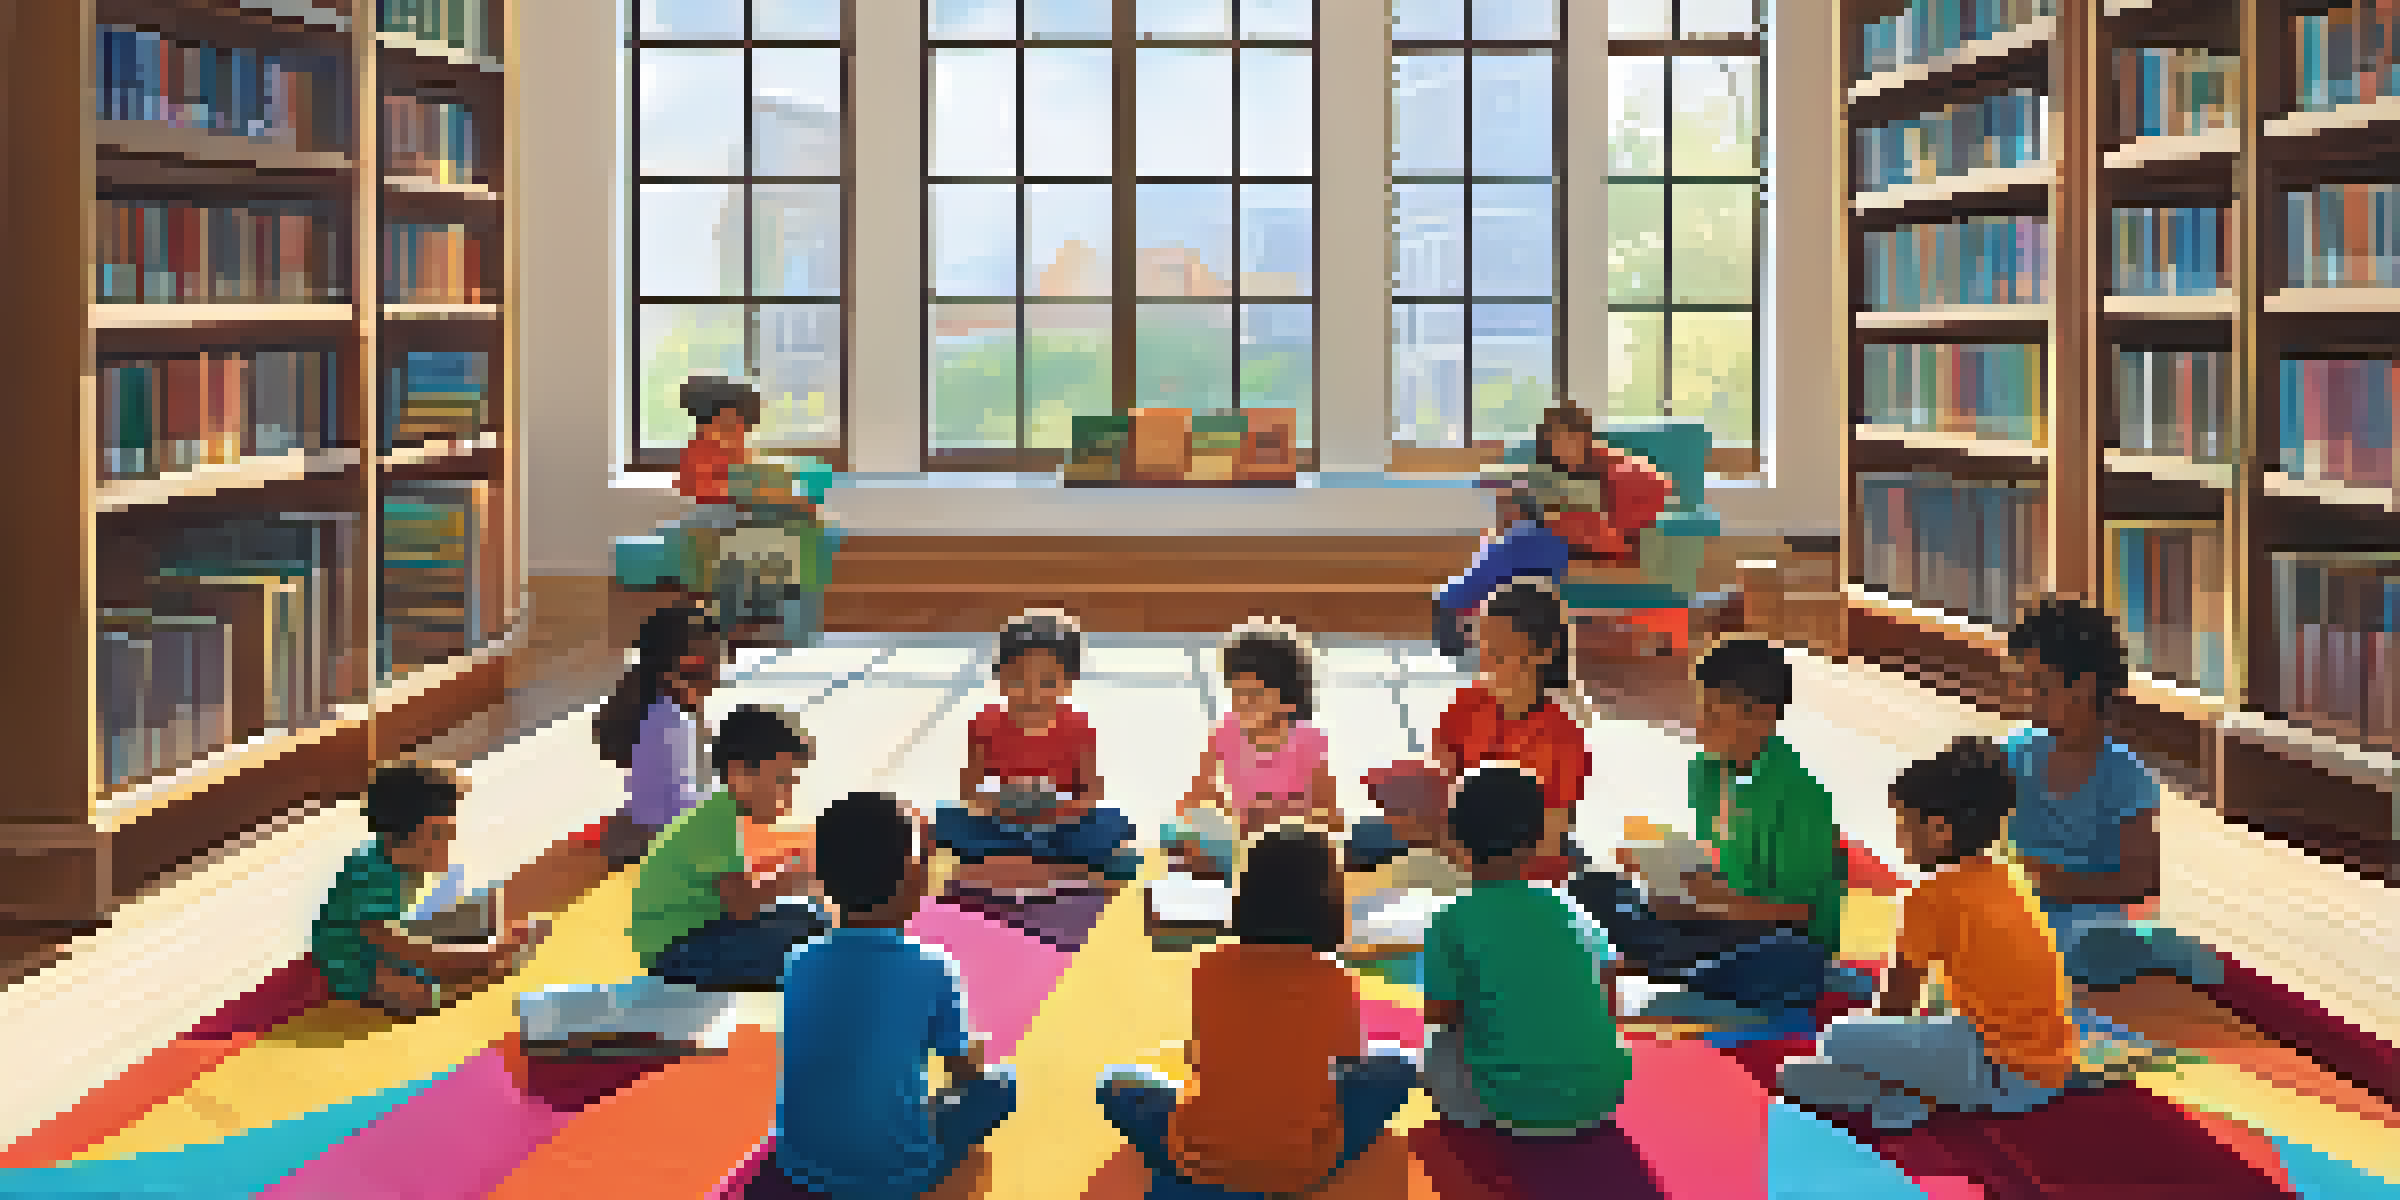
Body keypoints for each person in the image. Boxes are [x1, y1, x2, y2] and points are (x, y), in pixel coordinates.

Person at [1096, 827, 1420, 1196]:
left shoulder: (1210, 966)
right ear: (1329, 903)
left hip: (1199, 1156)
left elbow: (1199, 1059)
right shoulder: (1335, 980)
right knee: (1397, 1064)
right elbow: (1348, 1061)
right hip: (1303, 1165)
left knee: (1115, 1083)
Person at [1777, 738, 2076, 1132]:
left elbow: (1897, 1004)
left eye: (1903, 824)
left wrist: (1869, 1045)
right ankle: (1910, 1091)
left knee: (1836, 1039)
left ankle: (1911, 1091)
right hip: (2047, 1074)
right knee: (1803, 1075)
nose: (1898, 837)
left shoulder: (1929, 897)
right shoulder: (2009, 877)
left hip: (1995, 1072)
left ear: (1938, 831)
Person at [1569, 637, 1854, 1023]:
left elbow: (1796, 913)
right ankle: (1673, 964)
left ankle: (1664, 964)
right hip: (1714, 922)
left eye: (1714, 716)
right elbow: (1715, 865)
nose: (1697, 725)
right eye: (1698, 711)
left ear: (1762, 717)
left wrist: (1706, 904)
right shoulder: (1705, 772)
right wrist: (1659, 873)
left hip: (1776, 935)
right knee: (1591, 886)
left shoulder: (1802, 798)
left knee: (1787, 961)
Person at [774, 791, 1019, 1198]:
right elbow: (963, 1073)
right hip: (897, 1174)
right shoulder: (934, 966)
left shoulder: (800, 961)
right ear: (913, 876)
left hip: (798, 1162)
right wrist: (972, 1056)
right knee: (1002, 1085)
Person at [2000, 596, 2222, 990]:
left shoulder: (2124, 776)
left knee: (2078, 944)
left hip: (2086, 915)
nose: (2030, 699)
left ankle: (2148, 950)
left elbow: (2141, 880)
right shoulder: (2010, 756)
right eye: (2027, 685)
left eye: (2042, 687)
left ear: (2083, 687)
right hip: (2014, 905)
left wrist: (2064, 886)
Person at [1421, 766, 1630, 1135]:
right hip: (1601, 1096)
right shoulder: (1567, 905)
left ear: (1453, 839)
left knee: (1433, 1050)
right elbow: (1611, 984)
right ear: (1537, 839)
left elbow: (1440, 1013)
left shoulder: (1451, 919)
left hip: (1512, 1104)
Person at [1356, 581, 1591, 883]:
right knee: (1363, 837)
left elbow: (1546, 843)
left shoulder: (1563, 738)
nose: (1485, 666)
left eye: (1499, 656)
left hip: (1512, 861)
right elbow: (1437, 782)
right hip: (1451, 838)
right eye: (1481, 652)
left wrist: (1445, 843)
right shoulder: (1466, 704)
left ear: (1542, 654)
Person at [1435, 404, 1672, 661]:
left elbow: (1656, 487)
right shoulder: (1546, 471)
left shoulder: (1609, 466)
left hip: (1588, 544)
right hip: (1553, 536)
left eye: (1570, 439)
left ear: (1584, 439)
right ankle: (1463, 612)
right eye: (1556, 441)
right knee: (1510, 544)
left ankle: (1454, 604)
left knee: (1512, 549)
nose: (1564, 447)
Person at [312, 762, 543, 1017]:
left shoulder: (399, 859)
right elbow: (413, 951)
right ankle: (463, 984)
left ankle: (473, 964)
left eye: (448, 832)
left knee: (484, 906)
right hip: (358, 963)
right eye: (437, 835)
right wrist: (488, 955)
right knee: (415, 994)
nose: (447, 843)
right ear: (397, 838)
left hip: (399, 938)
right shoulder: (369, 883)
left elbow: (419, 928)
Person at [937, 611, 1141, 893]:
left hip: (1061, 828)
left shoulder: (1078, 728)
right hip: (1004, 826)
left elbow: (1092, 794)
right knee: (946, 821)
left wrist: (1058, 812)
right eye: (1019, 681)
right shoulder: (984, 725)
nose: (1032, 694)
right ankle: (1052, 870)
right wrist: (998, 806)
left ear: (1068, 682)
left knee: (1113, 824)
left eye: (1047, 682)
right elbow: (969, 792)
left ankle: (1018, 868)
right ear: (1000, 678)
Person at [631, 704, 831, 991]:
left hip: (695, 937)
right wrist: (795, 875)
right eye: (781, 781)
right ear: (740, 774)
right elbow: (742, 905)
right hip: (678, 953)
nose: (787, 794)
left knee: (810, 918)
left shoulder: (720, 813)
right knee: (809, 940)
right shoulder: (713, 822)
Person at [1162, 624, 1341, 879]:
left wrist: (1286, 815)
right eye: (1236, 693)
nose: (1242, 704)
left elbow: (1331, 816)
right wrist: (1216, 818)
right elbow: (1197, 796)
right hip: (1240, 845)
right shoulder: (1226, 733)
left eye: (1254, 695)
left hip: (1292, 847)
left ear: (1287, 697)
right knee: (1173, 834)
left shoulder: (1306, 740)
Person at [675, 374, 833, 645]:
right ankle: (748, 620)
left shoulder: (734, 447)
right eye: (736, 421)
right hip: (725, 516)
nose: (743, 429)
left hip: (745, 516)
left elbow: (752, 483)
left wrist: (784, 498)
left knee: (801, 533)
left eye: (744, 423)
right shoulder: (704, 449)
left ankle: (776, 619)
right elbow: (712, 490)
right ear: (717, 417)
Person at [589, 604, 724, 866]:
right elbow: (685, 815)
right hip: (672, 853)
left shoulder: (666, 710)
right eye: (713, 660)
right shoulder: (672, 722)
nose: (718, 672)